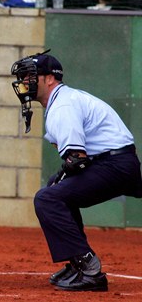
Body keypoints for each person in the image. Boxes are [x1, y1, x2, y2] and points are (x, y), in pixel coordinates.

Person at [10, 52, 142, 292]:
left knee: (48, 197)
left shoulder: (63, 104)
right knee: (54, 190)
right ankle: (76, 262)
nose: (24, 82)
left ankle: (89, 268)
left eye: (30, 76)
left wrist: (59, 181)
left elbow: (76, 160)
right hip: (113, 161)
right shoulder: (61, 101)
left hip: (113, 163)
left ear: (50, 79)